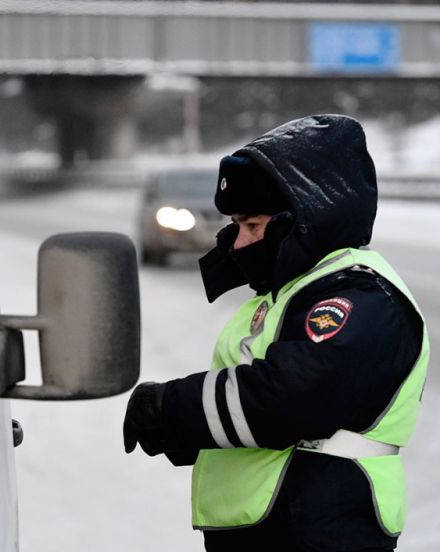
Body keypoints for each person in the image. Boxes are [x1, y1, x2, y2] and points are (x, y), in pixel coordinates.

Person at [123, 114, 429, 552]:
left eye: (253, 226)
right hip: (282, 525)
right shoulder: (292, 293)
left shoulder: (357, 296)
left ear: (307, 219)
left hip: (319, 531)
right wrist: (186, 430)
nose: (240, 243)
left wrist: (171, 409)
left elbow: (289, 398)